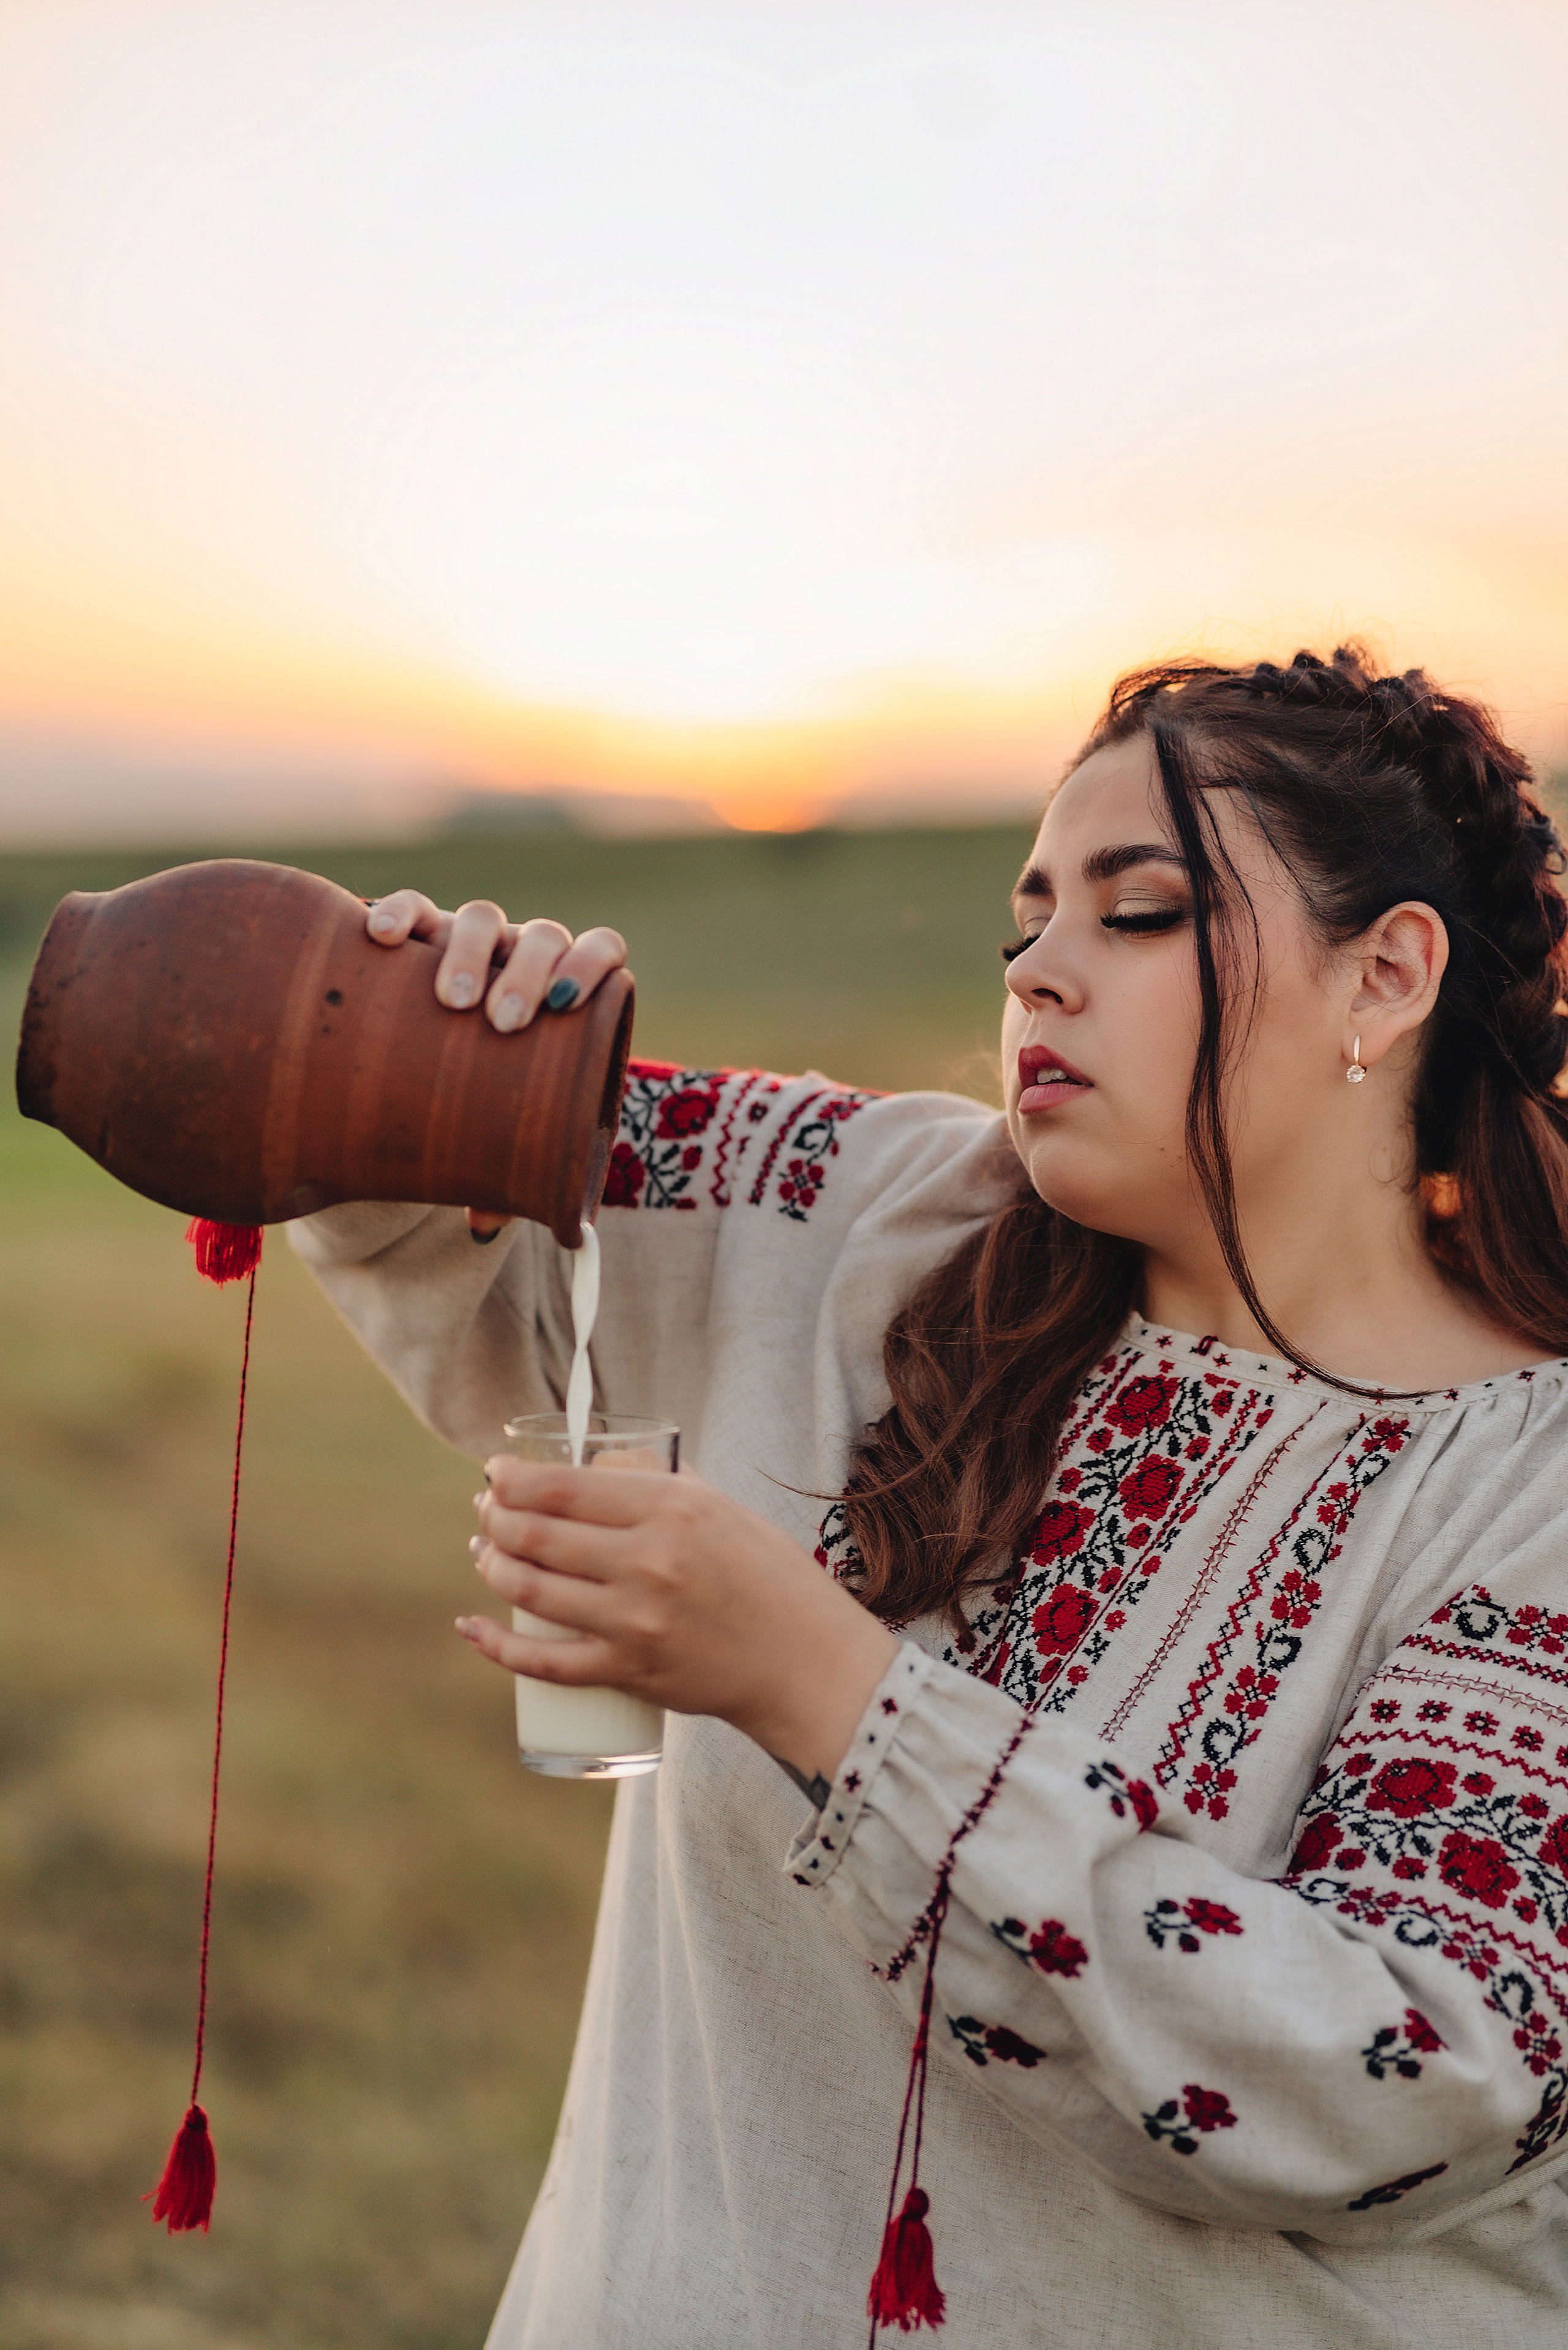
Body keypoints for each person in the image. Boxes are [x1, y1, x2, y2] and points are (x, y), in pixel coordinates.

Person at [290, 647, 1568, 2349]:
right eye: (1024, 924)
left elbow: (1417, 2080)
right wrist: (424, 1023)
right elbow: (422, 1163)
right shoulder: (880, 1220)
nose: (1041, 971)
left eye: (1139, 913)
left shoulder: (1528, 1485)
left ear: (1388, 973)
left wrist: (830, 1694)